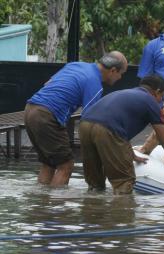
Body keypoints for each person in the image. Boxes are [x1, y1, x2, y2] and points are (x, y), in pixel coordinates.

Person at [79, 75, 164, 195]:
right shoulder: (150, 101)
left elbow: (119, 126)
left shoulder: (124, 93)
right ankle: (120, 212)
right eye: (161, 96)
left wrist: (131, 155)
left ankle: (92, 210)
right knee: (124, 181)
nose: (160, 100)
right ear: (157, 92)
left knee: (95, 183)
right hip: (107, 129)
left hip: (84, 125)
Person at [24, 51, 128, 187]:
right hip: (47, 116)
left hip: (30, 109)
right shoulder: (94, 84)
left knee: (49, 163)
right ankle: (55, 206)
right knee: (66, 165)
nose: (120, 78)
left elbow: (47, 83)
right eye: (121, 74)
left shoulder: (76, 65)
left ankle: (42, 203)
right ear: (113, 70)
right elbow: (90, 120)